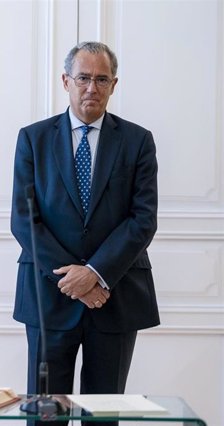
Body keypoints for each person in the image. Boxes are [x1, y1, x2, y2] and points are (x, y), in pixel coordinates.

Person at [10, 42, 160, 424]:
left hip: (114, 296)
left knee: (103, 416)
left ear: (114, 85)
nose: (92, 87)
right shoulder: (33, 139)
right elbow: (23, 219)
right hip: (49, 297)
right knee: (45, 416)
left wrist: (94, 274)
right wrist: (73, 278)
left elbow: (142, 219)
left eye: (101, 79)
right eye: (83, 78)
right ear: (66, 81)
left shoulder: (138, 141)